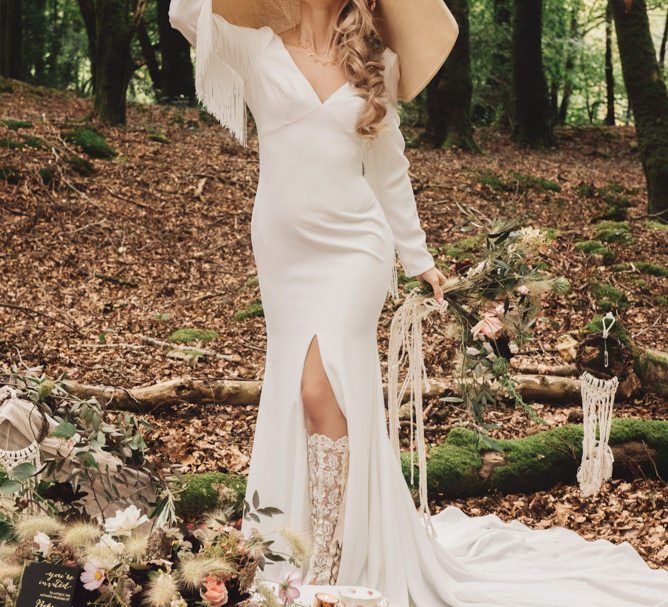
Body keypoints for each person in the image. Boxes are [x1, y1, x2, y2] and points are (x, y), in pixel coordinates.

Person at [168, 1, 668, 605]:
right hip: (283, 251)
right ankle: (289, 547)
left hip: (355, 247)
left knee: (321, 389)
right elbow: (182, 10)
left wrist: (419, 257)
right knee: (295, 392)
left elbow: (389, 169)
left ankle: (324, 565)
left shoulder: (378, 61)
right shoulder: (257, 45)